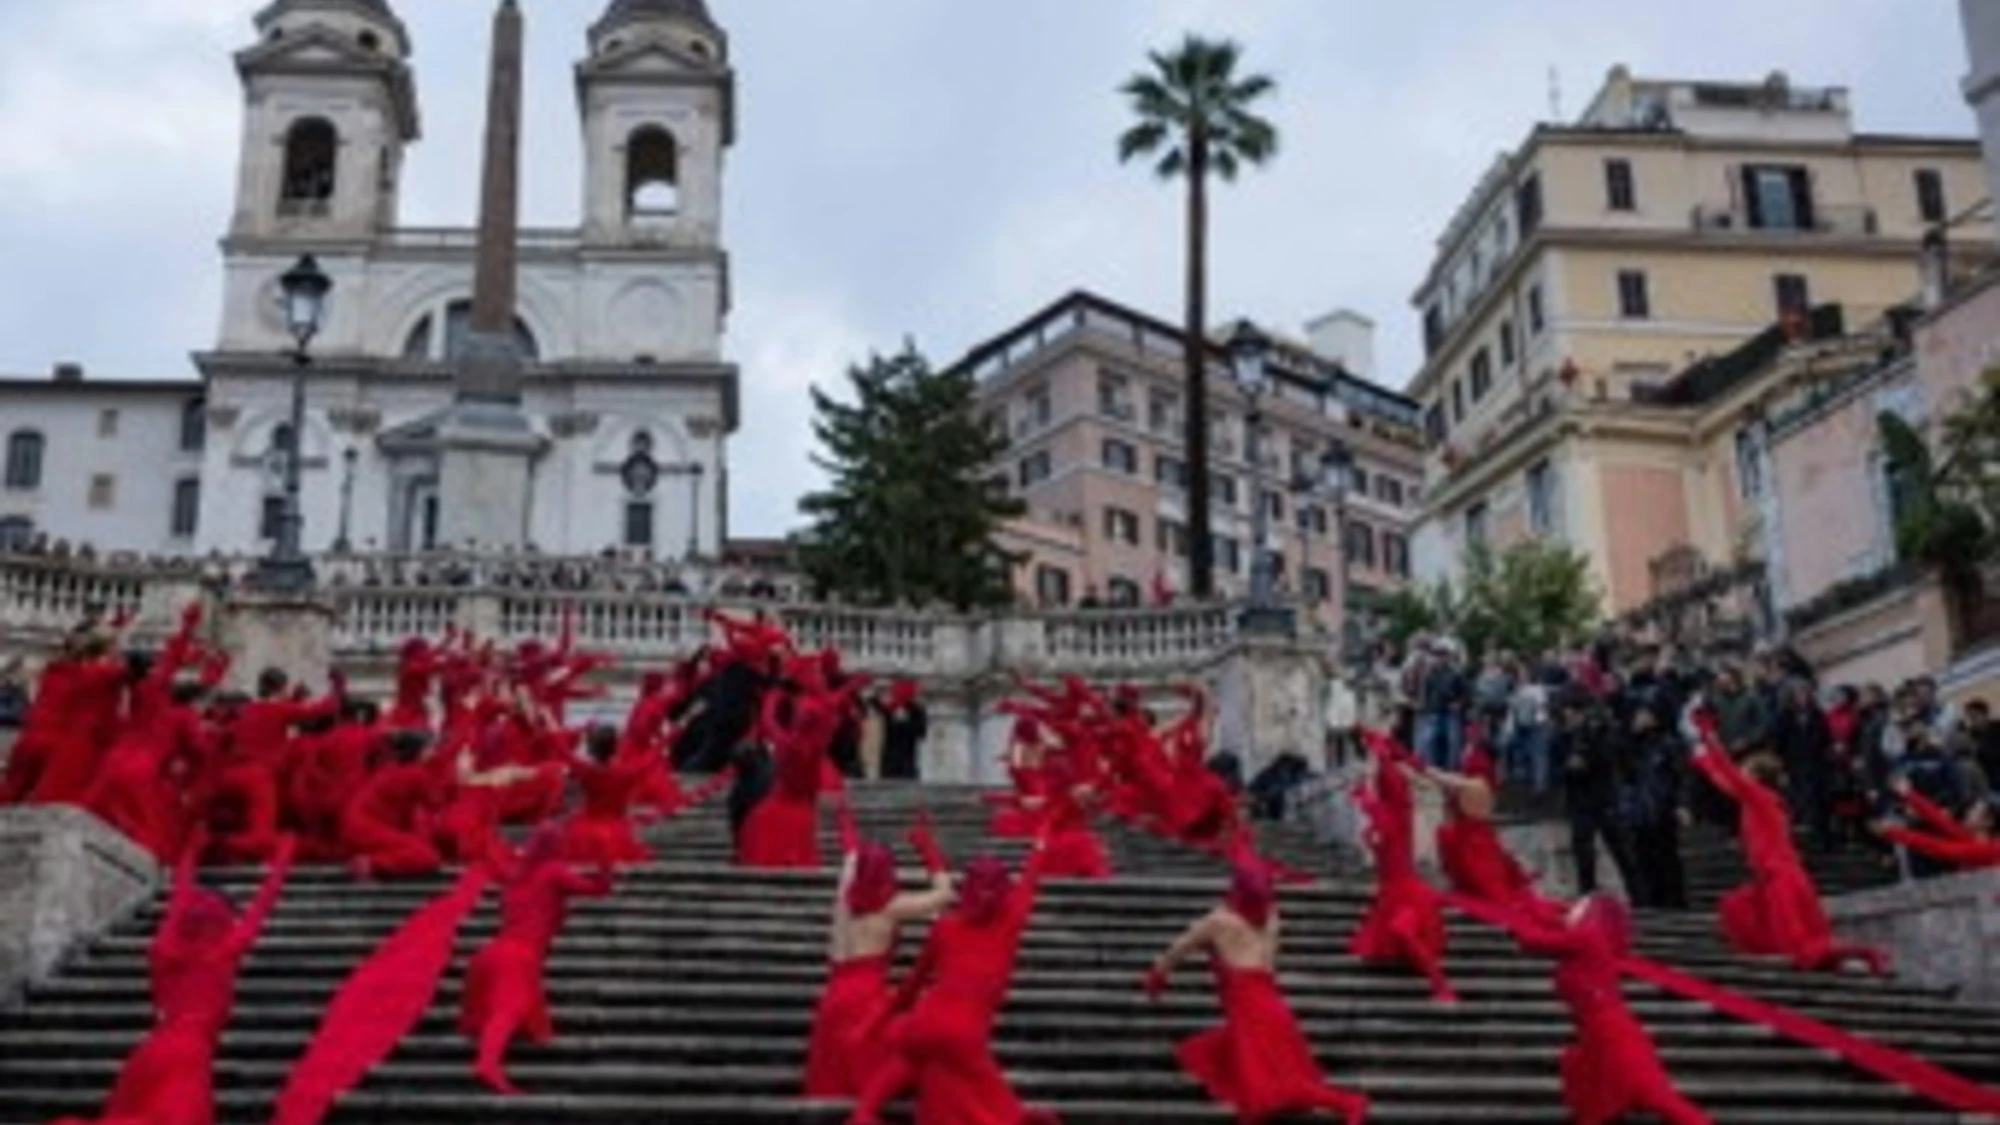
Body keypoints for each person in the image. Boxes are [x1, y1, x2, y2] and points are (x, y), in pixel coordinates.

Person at [52, 832, 294, 1125]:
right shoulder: (224, 950)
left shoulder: (165, 949)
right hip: (188, 1057)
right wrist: (283, 856)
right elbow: (262, 904)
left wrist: (190, 851)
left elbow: (178, 900)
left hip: (149, 1053)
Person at [1145, 862, 1370, 1125]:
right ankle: (1342, 1102)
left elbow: (1180, 947)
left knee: (1278, 1081)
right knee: (1276, 1069)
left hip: (1249, 1003)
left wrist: (1158, 975)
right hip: (1268, 998)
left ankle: (1348, 1102)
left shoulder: (1220, 920)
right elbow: (1267, 962)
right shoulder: (1271, 919)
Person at [844, 845, 1054, 1125]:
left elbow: (911, 986)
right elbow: (1029, 882)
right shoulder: (1009, 925)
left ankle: (864, 1112)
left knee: (910, 1057)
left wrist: (872, 1024)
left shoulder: (945, 927)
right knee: (985, 1089)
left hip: (926, 1020)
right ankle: (1016, 1116)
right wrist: (1041, 842)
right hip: (965, 1033)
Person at [1690, 717, 1886, 975]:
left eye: (1747, 770)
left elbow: (1730, 778)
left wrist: (1711, 743)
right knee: (1741, 909)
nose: (1743, 773)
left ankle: (1848, 959)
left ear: (1758, 776)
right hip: (1773, 874)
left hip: (1780, 874)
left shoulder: (1761, 797)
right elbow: (1726, 782)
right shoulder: (1761, 800)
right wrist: (1703, 758)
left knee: (1798, 941)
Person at [1504, 895, 1713, 1125]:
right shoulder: (1589, 939)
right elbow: (1552, 922)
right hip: (1598, 1031)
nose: (1571, 911)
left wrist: (1517, 911)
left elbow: (1533, 939)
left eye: (1578, 906)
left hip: (1609, 1031)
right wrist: (1526, 903)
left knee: (1652, 1096)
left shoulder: (1586, 938)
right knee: (1609, 1090)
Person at [804, 814, 955, 1098]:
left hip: (834, 995)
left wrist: (845, 822)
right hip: (867, 999)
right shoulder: (889, 907)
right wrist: (928, 850)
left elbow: (850, 859)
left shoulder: (844, 903)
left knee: (836, 1083)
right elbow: (945, 894)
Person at [459, 828, 614, 1095]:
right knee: (509, 1011)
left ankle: (489, 1058)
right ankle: (487, 1063)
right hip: (517, 958)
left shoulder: (515, 876)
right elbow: (598, 890)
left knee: (509, 1013)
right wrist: (604, 861)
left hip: (492, 955)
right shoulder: (553, 871)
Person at [1351, 733, 1454, 1002]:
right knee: (1400, 933)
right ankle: (1439, 985)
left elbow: (1376, 785)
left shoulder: (1389, 815)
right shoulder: (1392, 812)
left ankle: (1440, 986)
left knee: (1402, 931)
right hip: (1397, 889)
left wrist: (1377, 758)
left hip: (1404, 891)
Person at [1556, 689, 1640, 898]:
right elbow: (1556, 765)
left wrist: (1588, 759)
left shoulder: (1600, 730)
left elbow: (1611, 757)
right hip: (1579, 799)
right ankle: (1588, 894)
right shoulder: (1563, 735)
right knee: (1584, 851)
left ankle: (1639, 895)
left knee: (1621, 849)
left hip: (1603, 797)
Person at [1618, 702, 1689, 910]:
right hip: (1640, 809)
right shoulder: (1631, 746)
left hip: (1662, 807)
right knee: (1644, 856)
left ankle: (1674, 901)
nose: (1637, 719)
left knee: (1666, 855)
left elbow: (1680, 776)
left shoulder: (1669, 745)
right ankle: (1653, 899)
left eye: (1643, 714)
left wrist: (1681, 803)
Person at [557, 724, 652, 868]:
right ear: (616, 747)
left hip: (587, 828)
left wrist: (548, 724)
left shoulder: (587, 771)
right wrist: (678, 729)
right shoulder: (626, 772)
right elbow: (652, 757)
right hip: (617, 830)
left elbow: (561, 751)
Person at [1772, 679, 1836, 854]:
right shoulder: (1784, 717)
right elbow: (1778, 744)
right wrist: (1782, 768)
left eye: (1805, 694)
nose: (1803, 698)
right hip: (1795, 765)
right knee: (1800, 803)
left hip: (1817, 764)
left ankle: (1824, 838)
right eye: (1799, 695)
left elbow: (1826, 738)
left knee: (1820, 802)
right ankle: (1807, 842)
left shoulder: (1817, 715)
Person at [875, 680, 929, 781]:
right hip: (891, 761)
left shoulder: (916, 711)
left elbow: (921, 733)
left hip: (907, 761)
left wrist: (905, 722)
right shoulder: (890, 709)